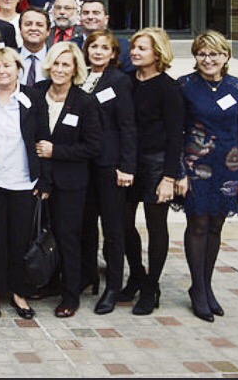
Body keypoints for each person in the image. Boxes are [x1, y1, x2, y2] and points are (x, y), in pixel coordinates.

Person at [176, 31, 238, 322]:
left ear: (226, 57)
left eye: (214, 54)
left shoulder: (237, 87)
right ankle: (198, 289)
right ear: (195, 56)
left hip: (228, 167)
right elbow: (177, 131)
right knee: (198, 224)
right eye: (202, 54)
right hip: (195, 165)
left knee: (216, 225)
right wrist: (180, 172)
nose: (208, 59)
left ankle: (206, 286)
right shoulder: (185, 85)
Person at [32, 41, 102, 318]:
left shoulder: (84, 102)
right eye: (56, 64)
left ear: (75, 69)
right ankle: (48, 283)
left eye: (66, 65)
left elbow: (94, 146)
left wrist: (56, 150)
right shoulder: (37, 92)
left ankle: (71, 295)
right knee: (42, 235)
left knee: (67, 237)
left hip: (70, 183)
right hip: (39, 180)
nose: (60, 69)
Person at [0, 47, 43, 320]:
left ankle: (18, 291)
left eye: (7, 66)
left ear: (18, 69)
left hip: (23, 180)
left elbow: (42, 136)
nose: (1, 71)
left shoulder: (32, 98)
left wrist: (44, 179)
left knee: (19, 239)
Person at [120, 27, 184, 315]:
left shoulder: (169, 88)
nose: (134, 52)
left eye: (141, 48)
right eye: (133, 47)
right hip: (128, 162)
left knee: (156, 226)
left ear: (157, 53)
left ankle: (151, 285)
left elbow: (175, 137)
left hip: (157, 164)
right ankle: (136, 274)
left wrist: (169, 178)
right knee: (121, 223)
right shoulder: (126, 82)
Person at [78, 30, 137, 315]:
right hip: (84, 165)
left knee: (113, 229)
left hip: (110, 165)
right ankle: (87, 276)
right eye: (94, 47)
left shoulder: (120, 81)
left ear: (114, 54)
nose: (98, 52)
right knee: (85, 224)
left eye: (105, 48)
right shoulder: (82, 78)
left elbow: (127, 126)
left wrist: (127, 166)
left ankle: (114, 285)